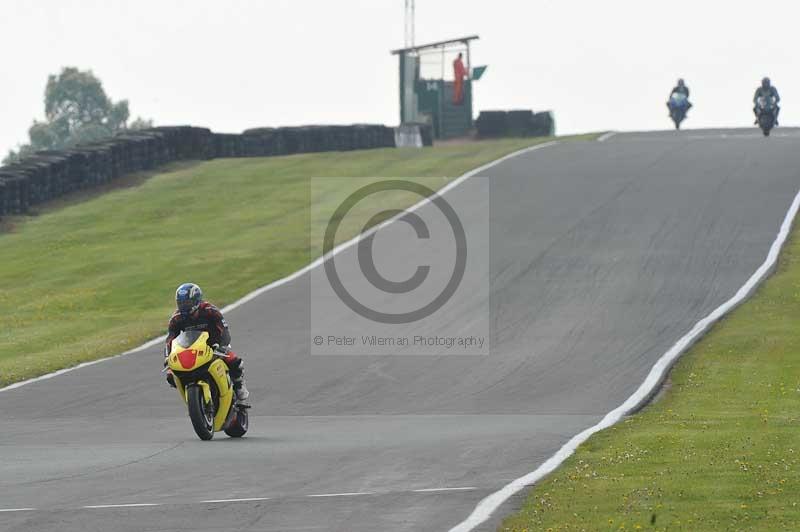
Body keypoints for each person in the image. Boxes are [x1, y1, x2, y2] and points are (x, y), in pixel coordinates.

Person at [164, 283, 249, 402]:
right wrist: (168, 358)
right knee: (170, 375)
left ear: (196, 300)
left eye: (187, 303)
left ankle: (239, 384)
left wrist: (222, 346)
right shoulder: (176, 318)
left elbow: (224, 330)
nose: (184, 307)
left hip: (214, 346)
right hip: (191, 348)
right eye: (181, 303)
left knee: (234, 361)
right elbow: (170, 339)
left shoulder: (210, 311)